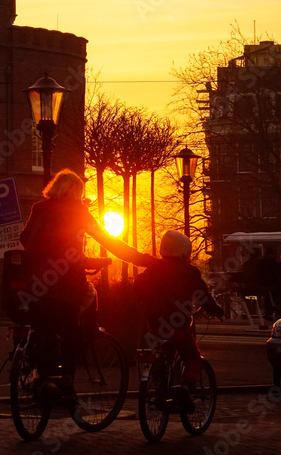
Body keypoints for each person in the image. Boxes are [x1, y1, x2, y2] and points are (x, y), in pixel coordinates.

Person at [19, 168, 153, 394]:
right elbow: (108, 241)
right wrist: (143, 260)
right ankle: (67, 379)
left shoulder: (39, 208)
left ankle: (41, 375)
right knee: (74, 318)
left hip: (35, 285)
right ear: (77, 192)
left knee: (44, 325)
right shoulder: (78, 212)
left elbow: (25, 238)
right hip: (67, 286)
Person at [134, 229, 224, 412]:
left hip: (155, 325)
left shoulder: (153, 268)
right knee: (192, 358)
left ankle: (158, 382)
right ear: (185, 251)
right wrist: (216, 311)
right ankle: (186, 388)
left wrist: (143, 300)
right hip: (179, 326)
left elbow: (138, 285)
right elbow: (201, 296)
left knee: (157, 352)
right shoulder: (189, 272)